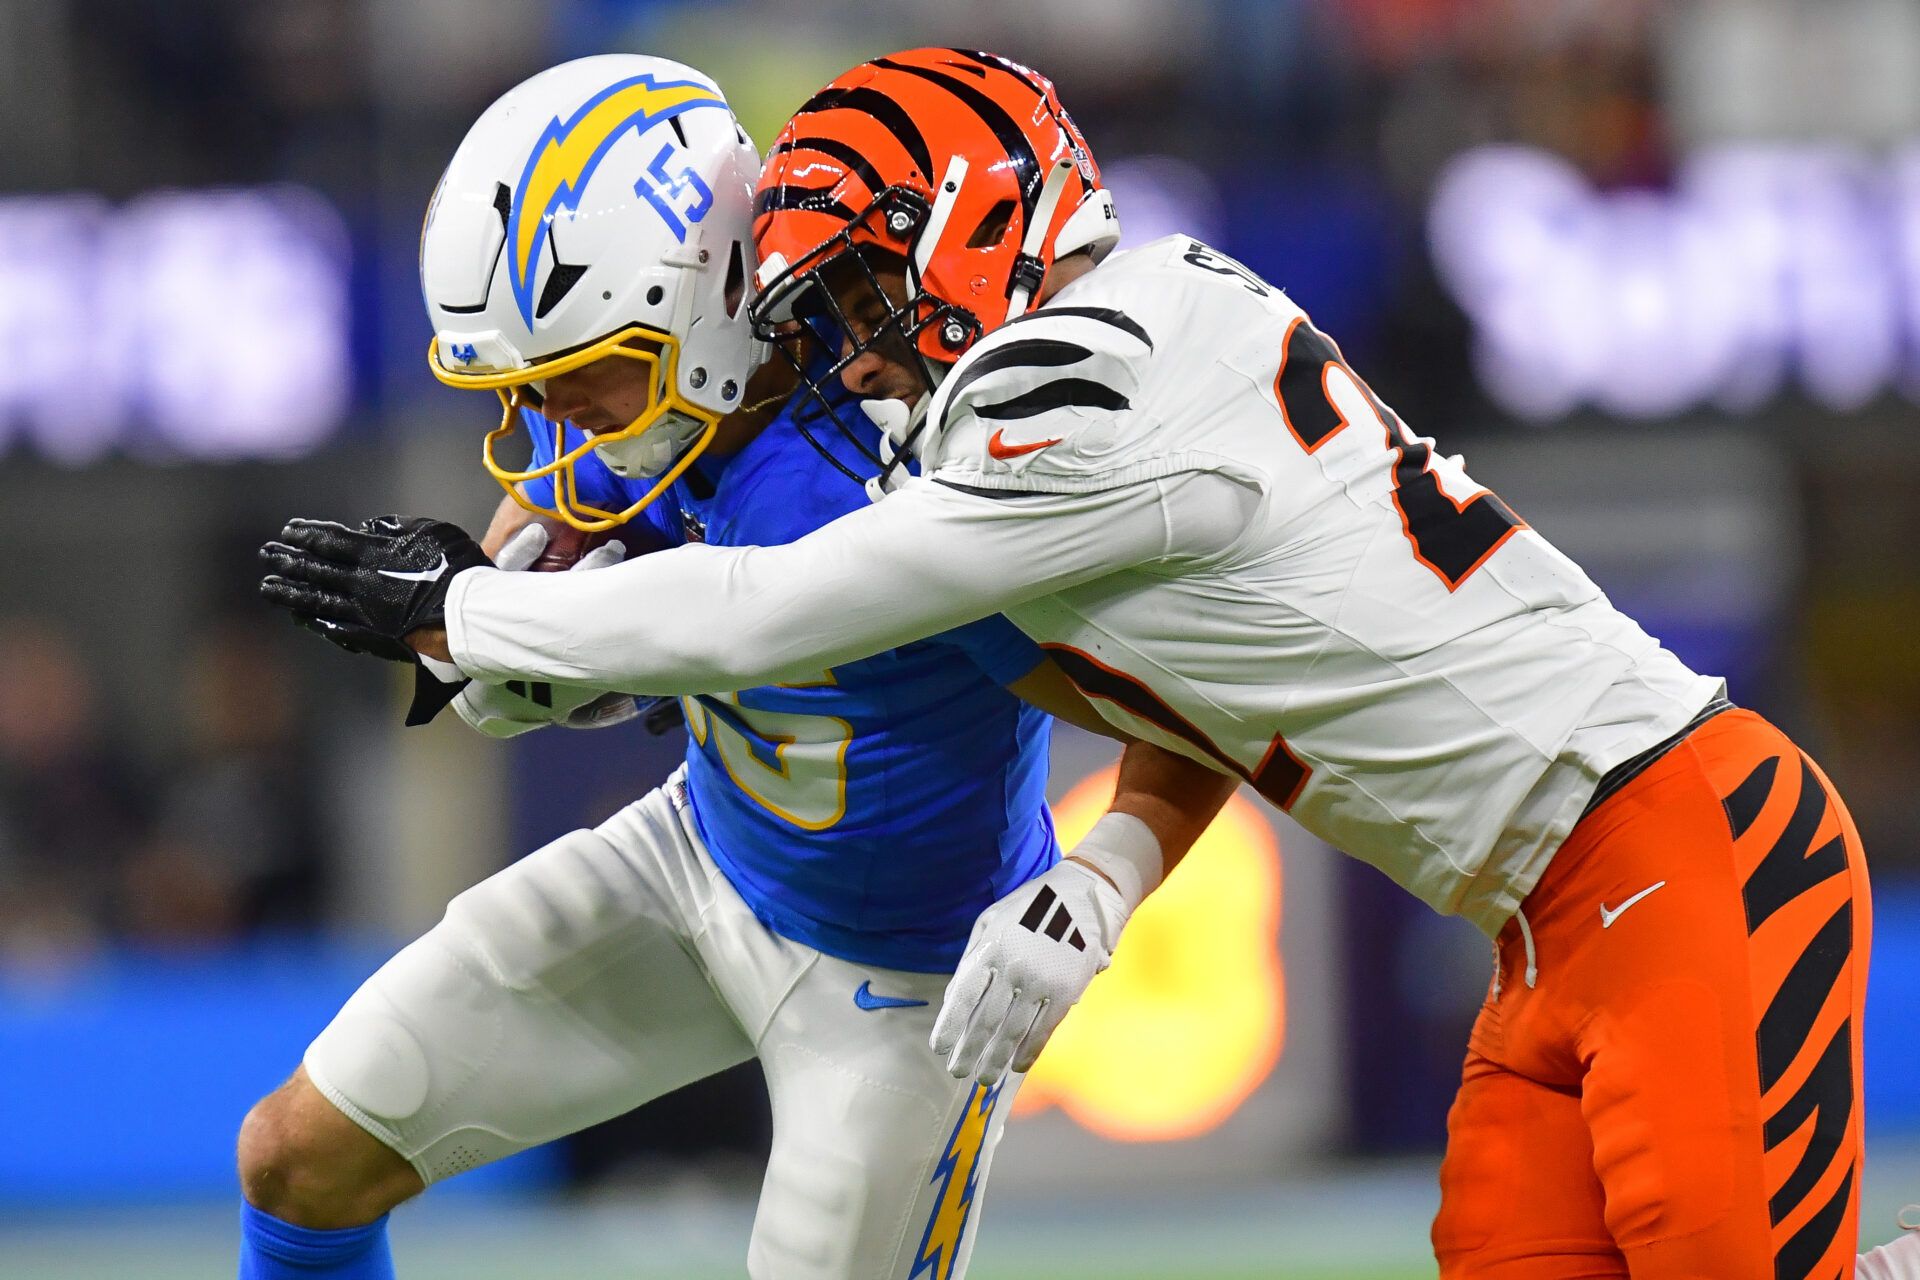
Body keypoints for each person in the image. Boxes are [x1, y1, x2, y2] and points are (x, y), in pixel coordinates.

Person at [262, 48, 1919, 1278]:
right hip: (1548, 910)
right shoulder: (1117, 338)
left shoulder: (1040, 415)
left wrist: (469, 617)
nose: (842, 333)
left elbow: (763, 615)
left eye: (858, 287)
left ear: (971, 234)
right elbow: (1208, 676)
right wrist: (1108, 881)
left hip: (1665, 849)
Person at [245, 55, 1228, 1280]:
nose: (557, 410)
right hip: (702, 851)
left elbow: (1196, 683)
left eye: (576, 376)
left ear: (693, 298)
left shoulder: (918, 424)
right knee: (298, 1156)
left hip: (906, 975)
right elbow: (554, 570)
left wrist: (1106, 880)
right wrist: (518, 641)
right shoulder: (645, 376)